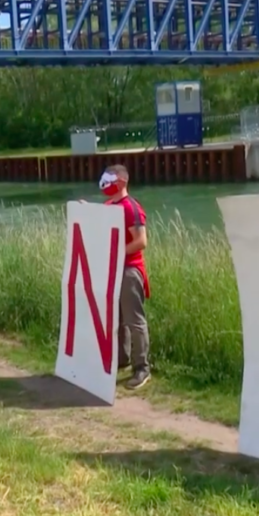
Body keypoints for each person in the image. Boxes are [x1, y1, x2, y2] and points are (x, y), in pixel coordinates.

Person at [98, 165, 151, 390]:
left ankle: (142, 367)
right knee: (117, 319)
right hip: (112, 269)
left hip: (129, 270)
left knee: (134, 320)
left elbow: (141, 241)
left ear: (120, 181)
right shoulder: (108, 206)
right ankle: (122, 358)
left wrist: (117, 253)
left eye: (109, 177)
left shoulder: (131, 208)